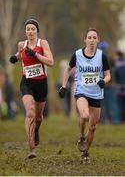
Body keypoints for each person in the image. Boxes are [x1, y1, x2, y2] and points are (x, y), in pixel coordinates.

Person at [58, 28, 111, 162]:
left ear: (98, 40)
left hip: (96, 93)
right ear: (85, 40)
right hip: (81, 90)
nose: (92, 40)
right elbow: (68, 69)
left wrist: (103, 81)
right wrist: (64, 86)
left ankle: (85, 152)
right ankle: (81, 135)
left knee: (92, 127)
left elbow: (108, 75)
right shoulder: (77, 54)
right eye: (89, 37)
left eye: (94, 38)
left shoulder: (101, 56)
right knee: (84, 115)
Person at [9, 18, 54, 158]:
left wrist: (35, 54)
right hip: (27, 82)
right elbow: (21, 54)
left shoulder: (43, 43)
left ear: (37, 31)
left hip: (41, 84)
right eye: (28, 29)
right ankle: (31, 148)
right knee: (30, 113)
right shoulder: (21, 44)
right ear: (25, 31)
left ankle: (36, 131)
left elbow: (51, 62)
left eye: (32, 29)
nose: (30, 31)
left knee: (39, 117)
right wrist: (15, 58)